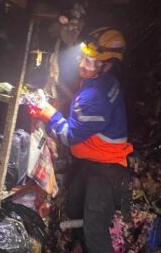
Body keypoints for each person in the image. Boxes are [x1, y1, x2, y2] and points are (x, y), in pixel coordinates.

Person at [29, 28, 133, 253]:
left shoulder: (96, 96)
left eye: (92, 62)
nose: (84, 66)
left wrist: (48, 113)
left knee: (95, 232)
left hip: (107, 171)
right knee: (74, 207)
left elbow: (69, 136)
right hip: (92, 164)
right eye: (83, 58)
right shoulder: (103, 81)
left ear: (109, 64)